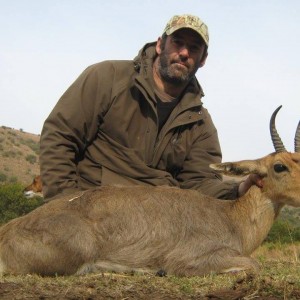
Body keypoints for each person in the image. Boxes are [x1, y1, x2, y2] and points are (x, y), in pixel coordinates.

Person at [40, 14, 258, 201]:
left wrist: (238, 189)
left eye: (194, 48)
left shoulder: (200, 124)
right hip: (90, 212)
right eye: (178, 42)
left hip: (154, 228)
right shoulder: (107, 77)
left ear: (203, 60)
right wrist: (66, 205)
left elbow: (199, 184)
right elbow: (60, 137)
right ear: (160, 44)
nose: (184, 53)